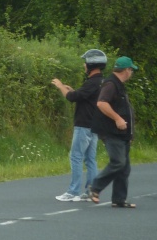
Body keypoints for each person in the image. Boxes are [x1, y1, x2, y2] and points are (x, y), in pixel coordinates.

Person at [51, 49, 106, 201]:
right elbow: (84, 97)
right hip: (94, 125)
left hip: (84, 125)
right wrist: (73, 90)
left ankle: (72, 191)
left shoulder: (92, 82)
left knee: (76, 157)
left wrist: (61, 86)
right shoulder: (100, 82)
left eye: (85, 63)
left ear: (91, 64)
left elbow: (72, 98)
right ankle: (90, 192)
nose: (84, 66)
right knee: (90, 159)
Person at [88, 56, 138, 208]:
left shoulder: (119, 85)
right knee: (118, 162)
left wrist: (130, 134)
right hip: (111, 131)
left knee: (124, 167)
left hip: (122, 134)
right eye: (131, 70)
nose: (132, 73)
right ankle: (95, 187)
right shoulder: (111, 84)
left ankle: (119, 199)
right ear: (127, 70)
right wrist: (117, 119)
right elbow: (102, 103)